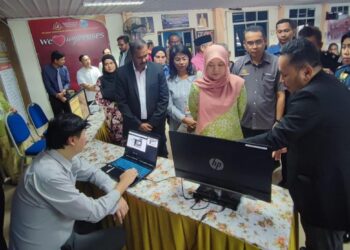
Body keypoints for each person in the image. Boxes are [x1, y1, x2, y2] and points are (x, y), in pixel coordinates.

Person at [245, 38, 350, 250]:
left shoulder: (312, 95)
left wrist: (233, 147)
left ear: (306, 72)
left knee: (324, 243)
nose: (283, 81)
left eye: (285, 75)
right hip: (332, 183)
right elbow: (317, 130)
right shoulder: (330, 84)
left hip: (324, 196)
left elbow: (276, 137)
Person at [9, 113, 138, 250]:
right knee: (119, 235)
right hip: (51, 244)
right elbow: (94, 211)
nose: (86, 138)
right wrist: (122, 185)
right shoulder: (48, 175)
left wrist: (114, 192)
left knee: (96, 223)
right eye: (84, 134)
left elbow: (92, 173)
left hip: (56, 229)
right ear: (72, 140)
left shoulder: (58, 153)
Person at [115, 39, 169, 157]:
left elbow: (164, 98)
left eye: (146, 55)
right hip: (134, 127)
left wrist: (152, 122)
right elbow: (122, 103)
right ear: (132, 55)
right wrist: (138, 124)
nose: (144, 59)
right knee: (137, 159)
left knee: (160, 157)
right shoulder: (122, 73)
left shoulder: (157, 70)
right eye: (140, 57)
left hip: (156, 126)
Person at [233, 25, 285, 138]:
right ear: (244, 45)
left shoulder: (276, 64)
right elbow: (232, 96)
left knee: (266, 155)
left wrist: (278, 121)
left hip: (268, 125)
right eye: (250, 43)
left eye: (258, 42)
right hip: (244, 124)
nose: (254, 46)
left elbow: (281, 94)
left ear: (265, 41)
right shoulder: (238, 65)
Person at [189, 44, 246, 140]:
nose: (216, 70)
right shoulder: (197, 87)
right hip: (207, 138)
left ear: (227, 63)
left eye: (220, 64)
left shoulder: (238, 84)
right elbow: (195, 113)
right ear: (205, 64)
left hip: (233, 137)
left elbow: (241, 111)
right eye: (210, 65)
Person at [167, 44, 197, 132]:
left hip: (197, 123)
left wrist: (194, 120)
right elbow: (169, 106)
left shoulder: (197, 79)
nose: (181, 62)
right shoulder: (168, 81)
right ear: (172, 61)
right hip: (177, 125)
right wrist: (184, 119)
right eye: (177, 59)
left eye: (184, 59)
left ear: (189, 59)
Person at [95, 54, 124, 145]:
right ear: (103, 66)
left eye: (111, 63)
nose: (109, 66)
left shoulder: (122, 76)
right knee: (117, 141)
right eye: (106, 64)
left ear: (115, 63)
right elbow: (98, 99)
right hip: (112, 117)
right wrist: (114, 104)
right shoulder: (100, 80)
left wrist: (110, 96)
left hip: (127, 113)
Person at [0, 91, 22, 184]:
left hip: (7, 123)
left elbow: (4, 103)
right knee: (6, 153)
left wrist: (10, 108)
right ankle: (14, 177)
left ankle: (19, 171)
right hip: (1, 130)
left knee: (17, 146)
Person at [42, 50, 70, 116]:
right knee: (59, 117)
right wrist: (58, 95)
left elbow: (67, 82)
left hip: (65, 94)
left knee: (70, 114)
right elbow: (48, 86)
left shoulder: (64, 68)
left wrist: (64, 90)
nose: (64, 61)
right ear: (55, 60)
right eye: (62, 60)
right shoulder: (46, 70)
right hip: (54, 97)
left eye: (64, 59)